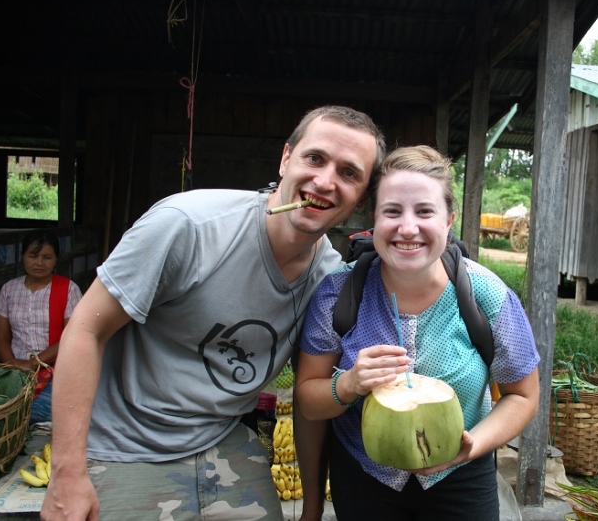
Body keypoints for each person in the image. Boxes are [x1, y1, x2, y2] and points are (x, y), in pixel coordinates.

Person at [40, 105, 386, 521]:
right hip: (123, 444)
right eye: (315, 158)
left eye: (349, 173)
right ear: (285, 158)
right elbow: (85, 331)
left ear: (363, 197)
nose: (325, 181)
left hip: (221, 440)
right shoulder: (188, 226)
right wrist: (66, 473)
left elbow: (307, 396)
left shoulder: (329, 280)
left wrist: (311, 507)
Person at [295, 145, 540, 521]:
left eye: (425, 211)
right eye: (392, 211)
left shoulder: (487, 296)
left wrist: (474, 446)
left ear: (448, 220)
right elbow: (308, 400)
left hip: (460, 477)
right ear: (373, 218)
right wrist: (348, 385)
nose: (408, 228)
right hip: (364, 475)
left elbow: (523, 396)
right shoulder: (336, 295)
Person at [0, 230, 83, 424]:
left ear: (56, 260)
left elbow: (72, 336)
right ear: (23, 257)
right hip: (15, 369)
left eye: (47, 257)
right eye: (33, 256)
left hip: (56, 369)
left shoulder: (68, 289)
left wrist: (34, 364)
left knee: (35, 414)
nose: (39, 263)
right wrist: (11, 365)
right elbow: (0, 335)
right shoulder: (9, 289)